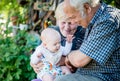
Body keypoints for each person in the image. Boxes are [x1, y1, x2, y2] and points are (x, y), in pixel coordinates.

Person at [54, 0, 120, 81]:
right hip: (87, 73)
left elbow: (79, 60)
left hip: (104, 77)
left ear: (87, 7)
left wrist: (67, 58)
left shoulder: (107, 20)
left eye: (73, 17)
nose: (74, 22)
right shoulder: (91, 19)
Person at [30, 1, 85, 74]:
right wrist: (34, 64)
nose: (66, 27)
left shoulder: (83, 33)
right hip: (50, 72)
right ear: (58, 20)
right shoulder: (50, 32)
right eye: (63, 22)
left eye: (71, 23)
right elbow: (38, 53)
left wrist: (64, 60)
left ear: (78, 20)